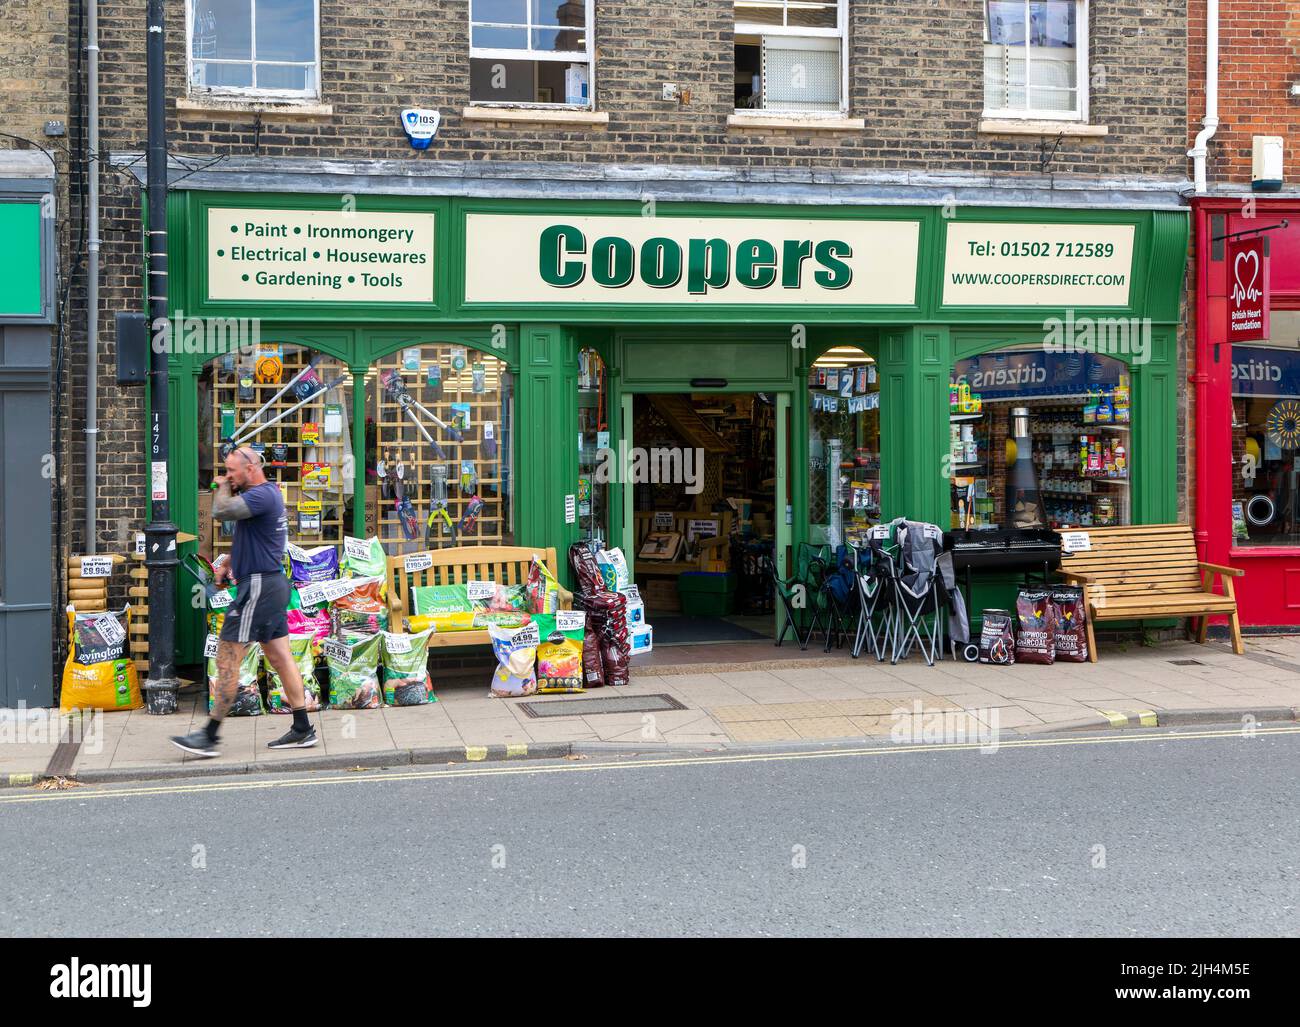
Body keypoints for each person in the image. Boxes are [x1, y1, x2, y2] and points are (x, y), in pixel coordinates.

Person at [170, 446, 318, 757]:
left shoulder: (262, 494)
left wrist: (222, 487)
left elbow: (221, 511)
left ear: (250, 468)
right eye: (226, 472)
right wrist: (229, 563)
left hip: (259, 587)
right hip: (270, 583)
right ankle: (303, 728)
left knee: (227, 655)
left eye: (232, 470)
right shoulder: (260, 496)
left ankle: (209, 736)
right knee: (280, 656)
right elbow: (247, 535)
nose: (228, 476)